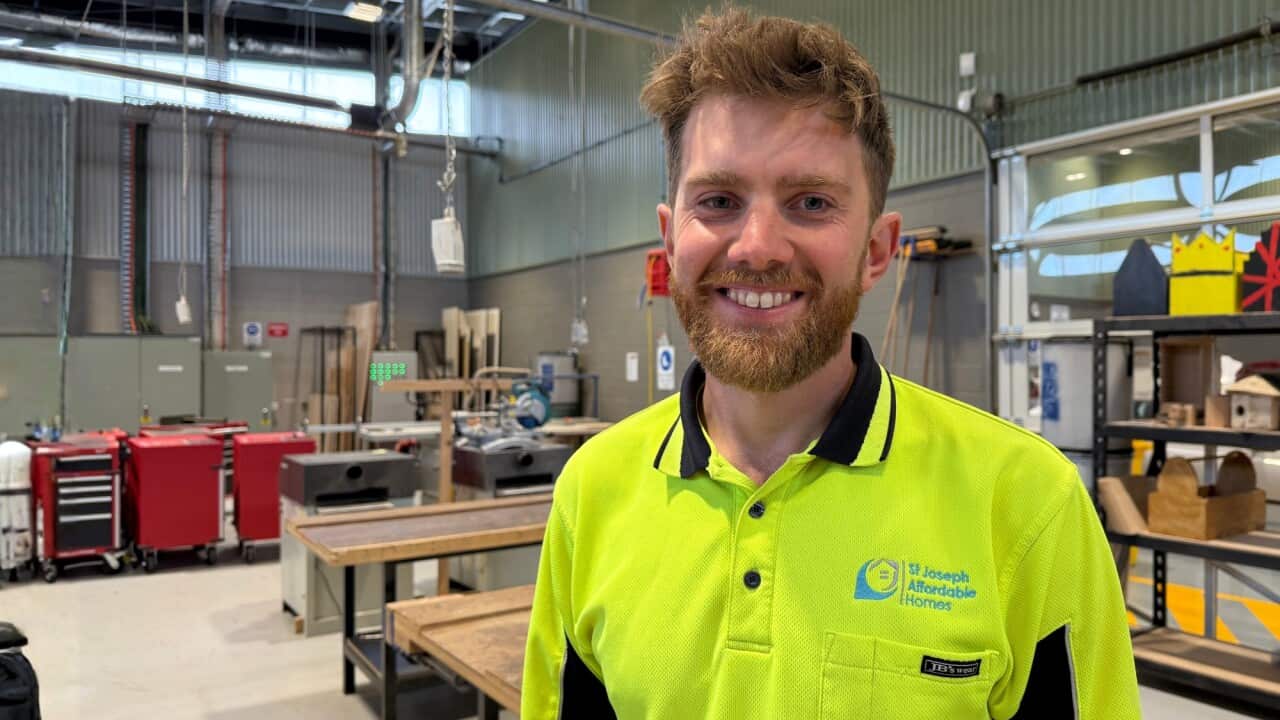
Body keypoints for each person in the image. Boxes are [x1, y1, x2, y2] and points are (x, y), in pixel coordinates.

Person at [521, 7, 1140, 719]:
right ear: (670, 239)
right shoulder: (591, 494)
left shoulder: (1027, 504)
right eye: (718, 200)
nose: (757, 246)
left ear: (877, 250)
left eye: (811, 202)